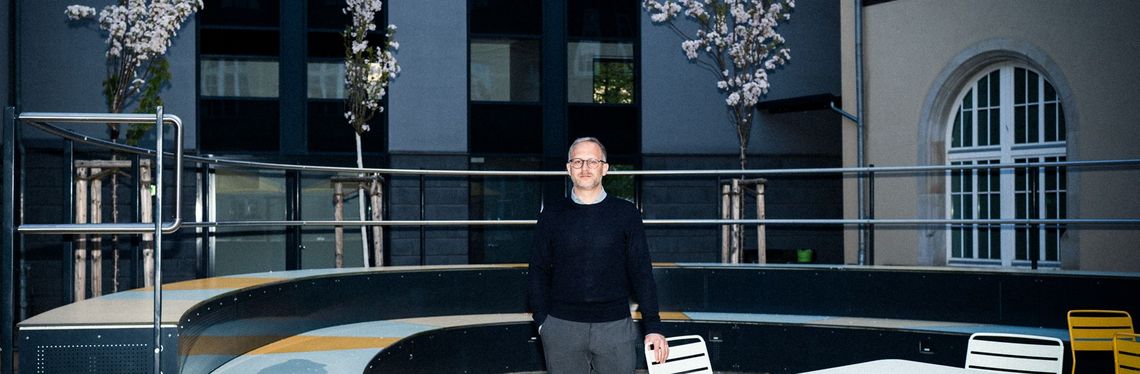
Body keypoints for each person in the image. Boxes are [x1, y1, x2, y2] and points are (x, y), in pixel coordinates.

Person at [528, 137, 669, 373]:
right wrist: (543, 323)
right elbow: (538, 270)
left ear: (605, 168)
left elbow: (641, 272)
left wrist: (653, 326)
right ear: (568, 168)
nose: (585, 168)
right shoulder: (551, 215)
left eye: (593, 161)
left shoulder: (626, 214)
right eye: (578, 161)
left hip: (615, 328)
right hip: (561, 328)